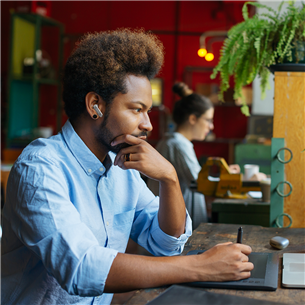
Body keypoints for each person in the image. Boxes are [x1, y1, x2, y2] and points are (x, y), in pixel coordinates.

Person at [0, 29, 253, 305]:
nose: (148, 124)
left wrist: (169, 178)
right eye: (136, 109)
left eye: (148, 111)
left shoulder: (120, 168)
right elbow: (81, 268)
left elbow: (165, 244)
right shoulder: (40, 168)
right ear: (95, 105)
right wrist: (200, 267)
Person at [147, 82, 240, 228]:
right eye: (208, 120)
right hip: (176, 225)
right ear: (192, 119)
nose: (211, 126)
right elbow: (200, 183)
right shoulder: (177, 144)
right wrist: (233, 177)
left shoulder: (174, 141)